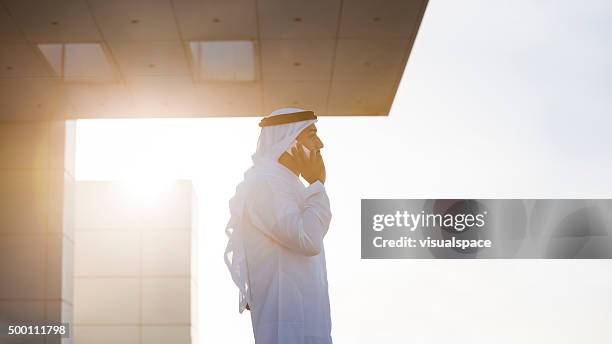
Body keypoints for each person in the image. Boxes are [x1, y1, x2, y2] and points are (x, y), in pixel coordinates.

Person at [224, 107, 333, 344]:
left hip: (308, 324)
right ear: (288, 141)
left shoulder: (288, 185)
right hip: (285, 327)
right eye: (312, 135)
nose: (320, 144)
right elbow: (308, 239)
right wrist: (317, 184)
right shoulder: (264, 185)